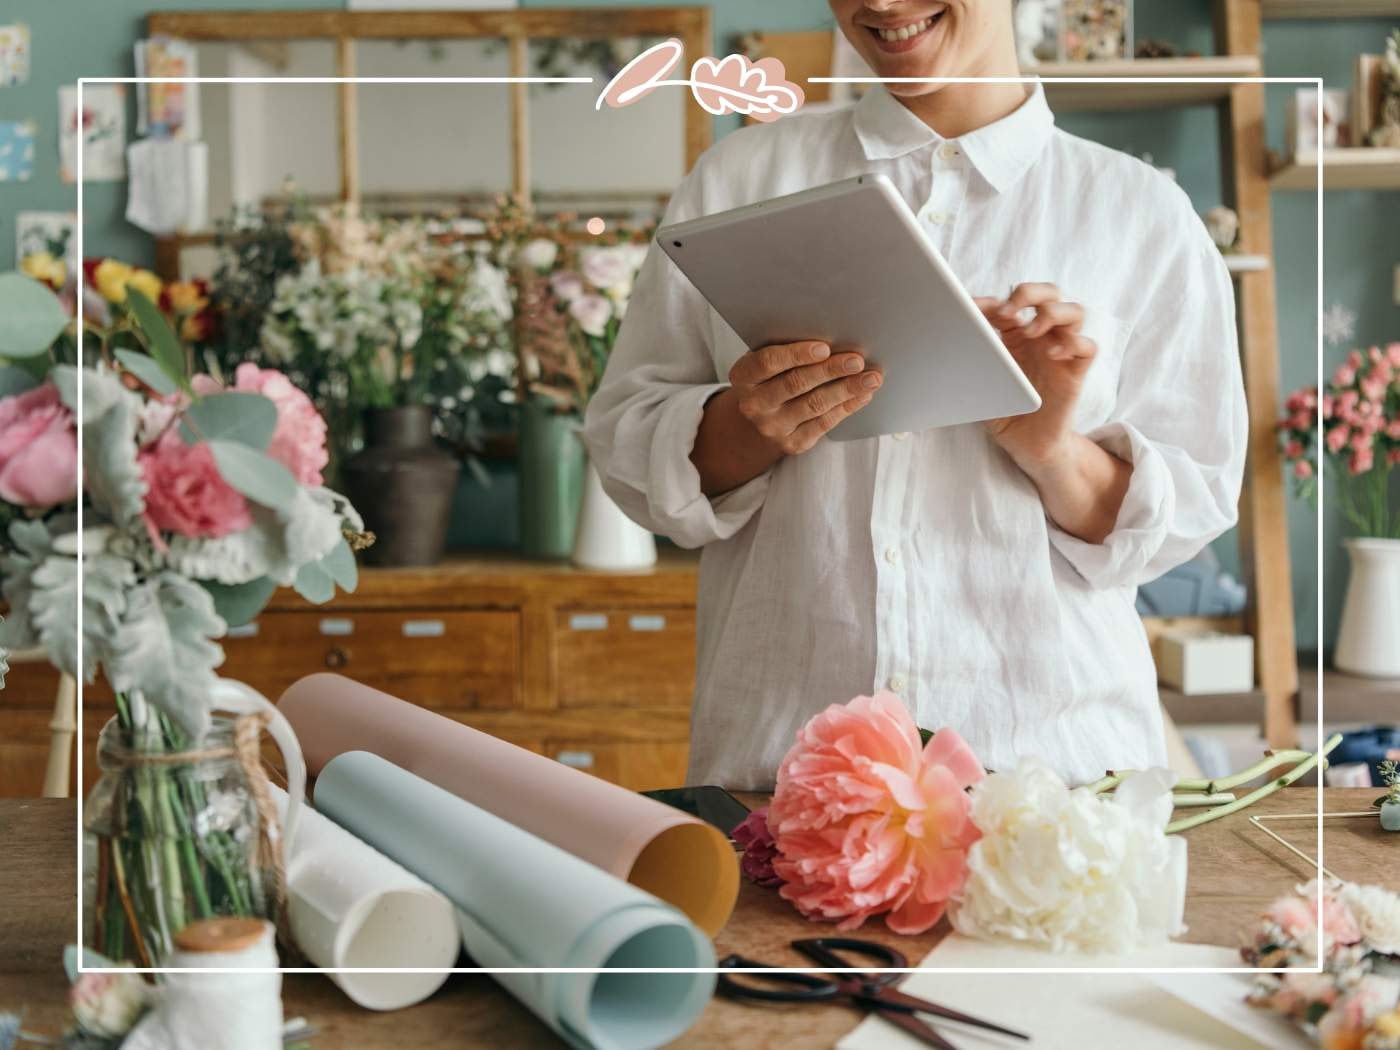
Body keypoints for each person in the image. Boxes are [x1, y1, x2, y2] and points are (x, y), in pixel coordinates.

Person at [583, 0, 1247, 790]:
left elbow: (1185, 512)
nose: (884, 4)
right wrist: (748, 425)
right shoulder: (740, 181)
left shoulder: (1141, 217)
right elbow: (628, 438)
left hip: (1051, 779)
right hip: (784, 770)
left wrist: (1052, 450)